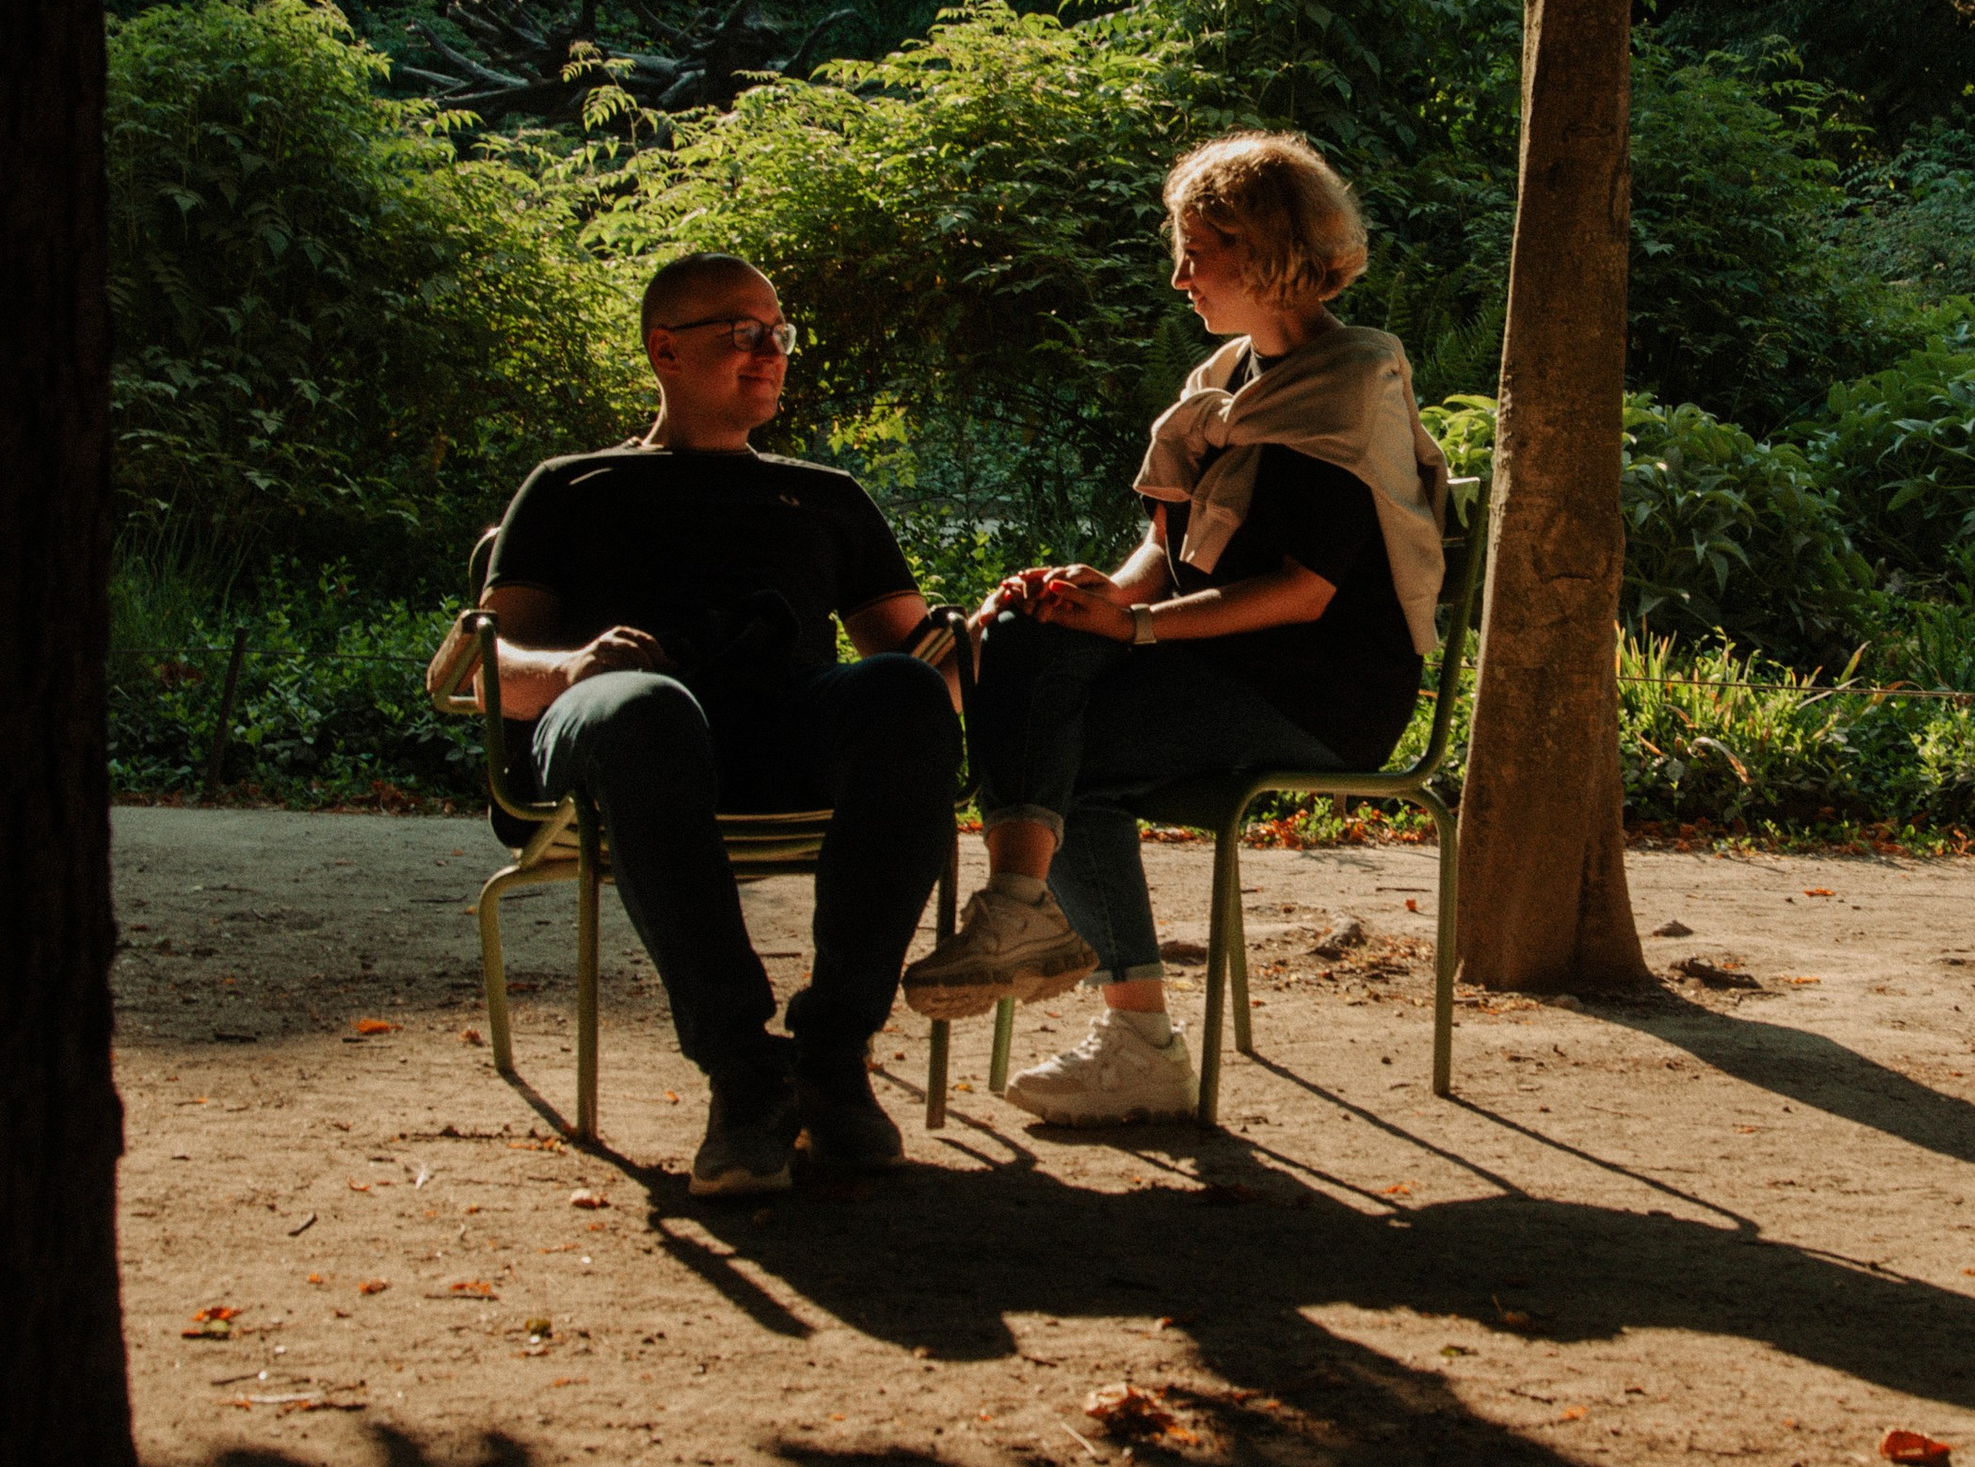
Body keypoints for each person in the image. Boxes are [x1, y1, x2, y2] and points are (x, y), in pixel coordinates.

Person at [902, 132, 1449, 1119]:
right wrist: (1102, 598)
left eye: (1198, 253)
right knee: (1026, 640)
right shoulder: (1224, 382)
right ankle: (1045, 940)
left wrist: (1137, 631)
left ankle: (1111, 1009)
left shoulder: (1349, 382)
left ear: (1267, 253)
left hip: (1318, 692)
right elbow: (1167, 554)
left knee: (1052, 744)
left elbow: (1304, 593)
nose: (1178, 277)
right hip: (1217, 666)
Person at [478, 252, 960, 1196]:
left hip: (783, 730)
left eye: (779, 333)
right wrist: (571, 668)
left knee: (901, 692)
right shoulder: (574, 485)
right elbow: (476, 666)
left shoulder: (826, 495)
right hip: (620, 730)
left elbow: (928, 666)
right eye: (744, 332)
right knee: (646, 707)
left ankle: (830, 1055)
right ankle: (743, 1069)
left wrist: (1006, 637)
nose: (770, 351)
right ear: (665, 349)